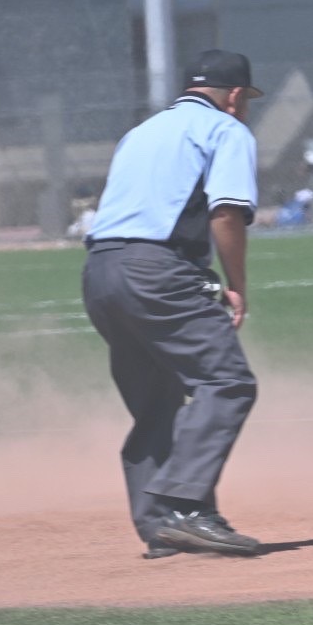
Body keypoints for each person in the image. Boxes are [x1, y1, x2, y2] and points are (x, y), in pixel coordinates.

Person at [82, 48, 264, 559]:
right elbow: (226, 213)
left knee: (158, 401)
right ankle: (186, 511)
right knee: (226, 381)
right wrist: (236, 284)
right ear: (233, 97)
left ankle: (160, 525)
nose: (245, 107)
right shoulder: (226, 130)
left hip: (99, 272)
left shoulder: (140, 132)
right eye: (246, 98)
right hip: (154, 271)